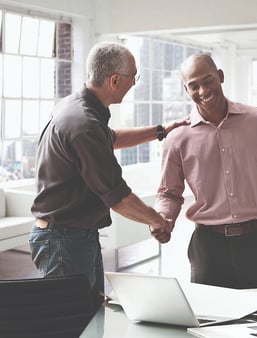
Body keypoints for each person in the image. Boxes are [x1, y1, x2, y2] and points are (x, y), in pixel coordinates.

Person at [30, 42, 188, 306]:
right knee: (72, 322)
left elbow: (110, 138)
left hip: (74, 236)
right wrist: (159, 220)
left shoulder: (77, 107)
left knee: (92, 314)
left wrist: (161, 130)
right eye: (133, 77)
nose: (135, 83)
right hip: (63, 242)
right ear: (114, 80)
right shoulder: (84, 124)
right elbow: (118, 197)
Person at [153, 53, 257, 289]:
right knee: (211, 321)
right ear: (186, 89)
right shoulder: (177, 138)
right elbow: (168, 193)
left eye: (208, 80)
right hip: (207, 247)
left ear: (220, 76)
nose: (203, 90)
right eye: (194, 85)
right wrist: (164, 217)